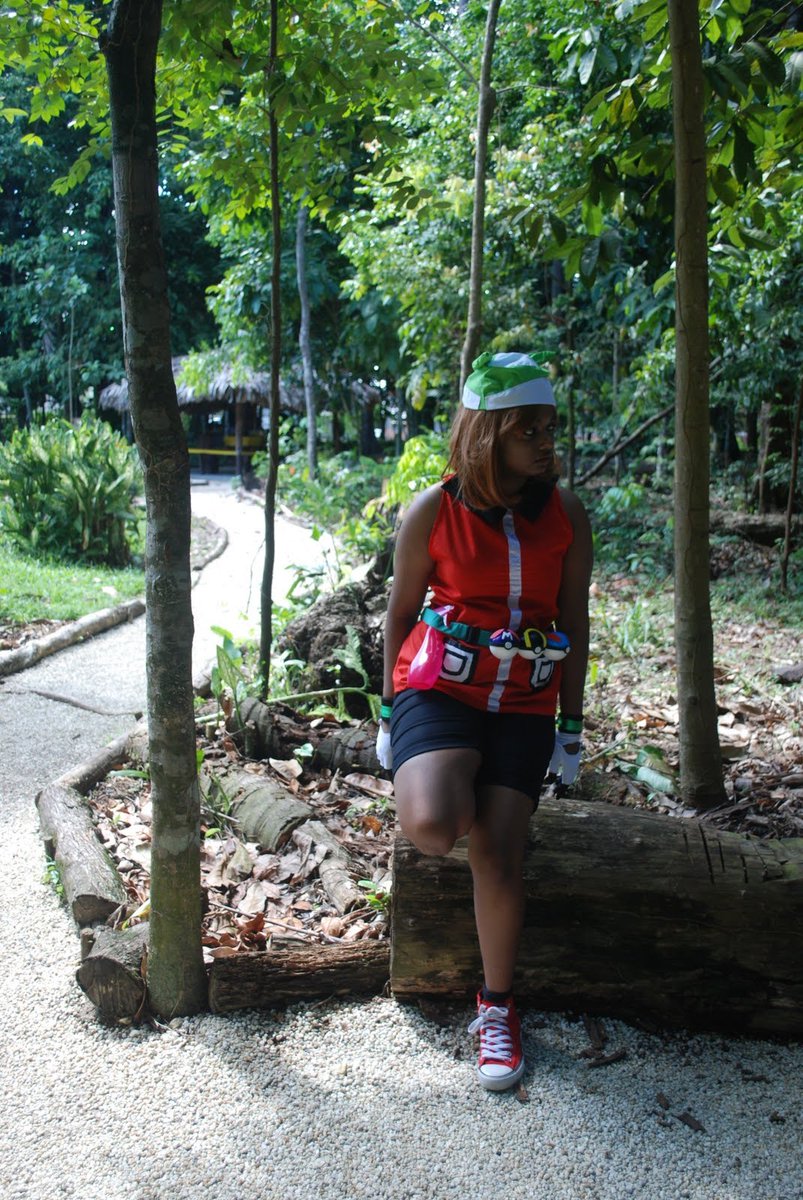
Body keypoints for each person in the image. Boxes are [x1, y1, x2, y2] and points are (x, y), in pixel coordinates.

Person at [376, 349, 592, 1092]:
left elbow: (573, 621)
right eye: (527, 430)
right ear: (487, 434)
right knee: (435, 825)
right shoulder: (432, 511)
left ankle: (496, 1007)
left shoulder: (565, 514)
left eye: (549, 428)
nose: (545, 443)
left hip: (525, 700)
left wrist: (571, 726)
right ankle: (447, 773)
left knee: (497, 852)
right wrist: (387, 715)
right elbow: (398, 616)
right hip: (440, 688)